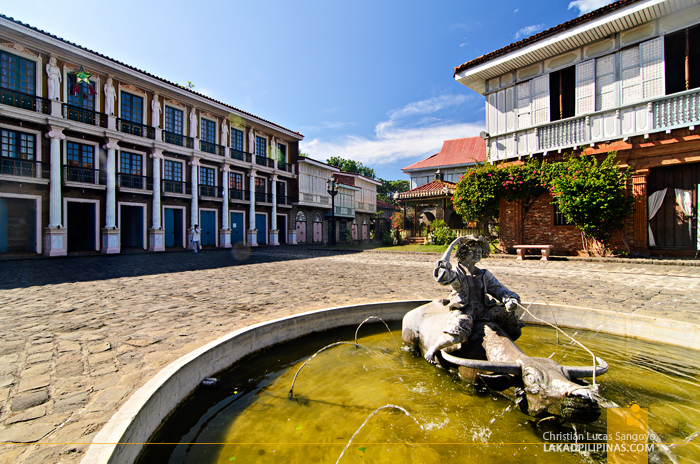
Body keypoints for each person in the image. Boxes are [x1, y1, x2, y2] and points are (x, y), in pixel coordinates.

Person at [423, 235, 523, 364]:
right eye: (473, 251)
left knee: (510, 316)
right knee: (457, 333)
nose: (477, 254)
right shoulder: (457, 273)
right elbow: (442, 276)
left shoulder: (484, 274)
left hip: (484, 309)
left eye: (480, 252)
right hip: (465, 309)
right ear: (464, 252)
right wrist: (452, 245)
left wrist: (509, 300)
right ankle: (434, 348)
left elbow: (499, 289)